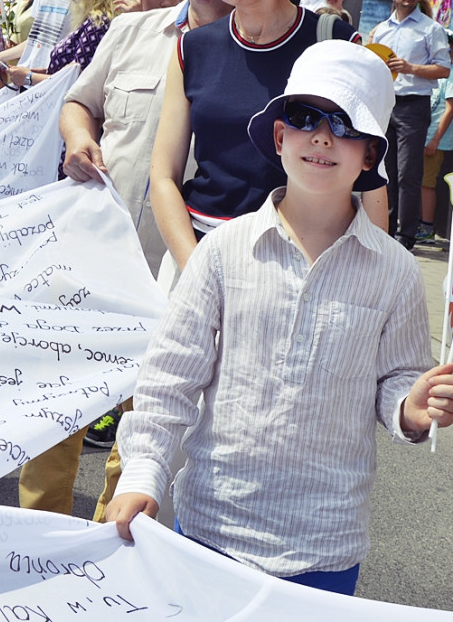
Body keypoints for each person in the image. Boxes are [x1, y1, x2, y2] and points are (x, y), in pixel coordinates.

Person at [107, 39, 453, 596]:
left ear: (370, 154)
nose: (321, 136)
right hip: (209, 528)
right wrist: (144, 472)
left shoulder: (396, 271)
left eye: (345, 125)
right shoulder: (223, 250)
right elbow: (170, 377)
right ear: (279, 134)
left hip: (324, 545)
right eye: (304, 115)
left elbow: (394, 380)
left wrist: (410, 408)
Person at [20, 0, 232, 519]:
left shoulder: (257, 55)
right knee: (59, 408)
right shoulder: (132, 31)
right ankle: (35, 541)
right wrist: (79, 138)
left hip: (180, 273)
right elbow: (79, 102)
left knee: (147, 432)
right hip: (98, 256)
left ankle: (106, 563)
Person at [149, 0, 372, 280]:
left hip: (304, 263)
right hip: (200, 250)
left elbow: (371, 179)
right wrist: (195, 268)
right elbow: (163, 175)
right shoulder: (193, 48)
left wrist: (373, 279)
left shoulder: (335, 42)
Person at [369, 0, 451, 248]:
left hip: (413, 105)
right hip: (385, 103)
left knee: (408, 174)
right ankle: (386, 231)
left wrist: (410, 68)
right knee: (386, 172)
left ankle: (406, 236)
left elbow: (443, 68)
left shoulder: (431, 29)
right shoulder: (381, 30)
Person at [3, 0, 124, 90]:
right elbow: (72, 71)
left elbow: (77, 79)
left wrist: (29, 78)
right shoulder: (96, 19)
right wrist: (45, 73)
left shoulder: (98, 23)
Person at [419, 74, 453, 243]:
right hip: (422, 136)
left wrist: (435, 139)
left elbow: (450, 108)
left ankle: (427, 228)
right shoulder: (437, 74)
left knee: (427, 183)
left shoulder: (450, 74)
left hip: (436, 141)